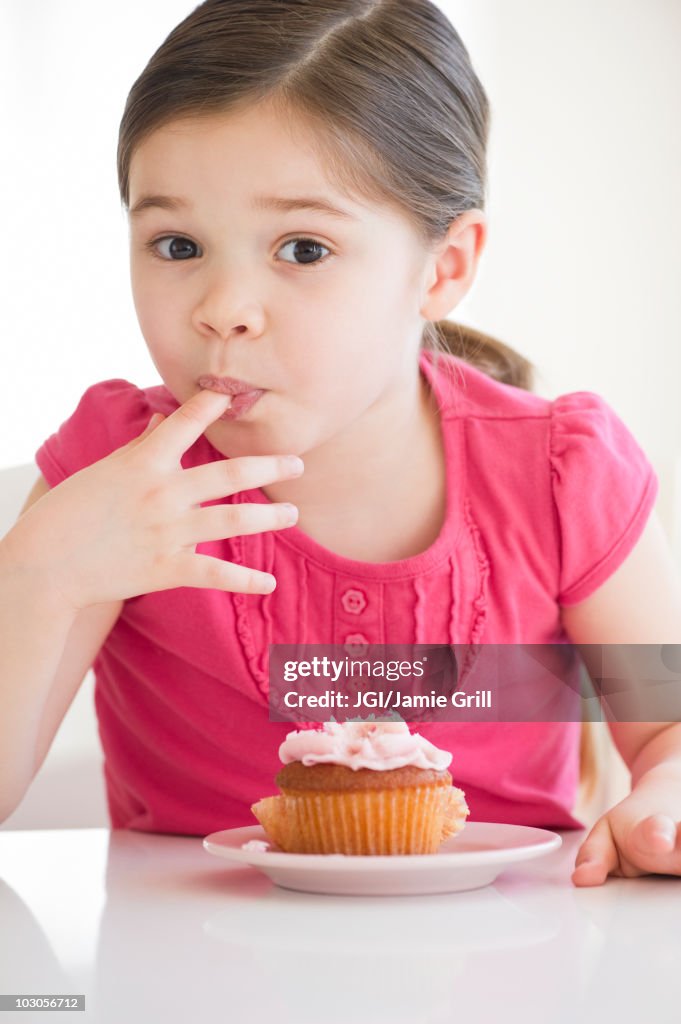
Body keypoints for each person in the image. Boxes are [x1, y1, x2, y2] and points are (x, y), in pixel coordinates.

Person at [1, 0, 680, 887]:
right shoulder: (116, 480)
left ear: (443, 268)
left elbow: (666, 722)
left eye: (304, 248)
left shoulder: (559, 475)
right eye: (176, 244)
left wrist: (663, 792)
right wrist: (37, 574)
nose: (222, 309)